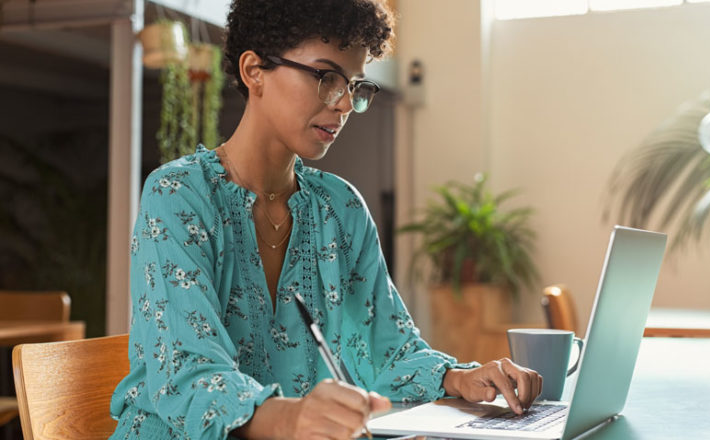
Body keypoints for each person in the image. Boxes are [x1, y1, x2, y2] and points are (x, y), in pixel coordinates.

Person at [109, 1, 543, 439]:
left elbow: (387, 346)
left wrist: (460, 378)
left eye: (353, 85)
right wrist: (292, 418)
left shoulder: (342, 207)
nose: (344, 105)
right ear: (253, 70)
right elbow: (187, 370)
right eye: (326, 77)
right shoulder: (178, 195)